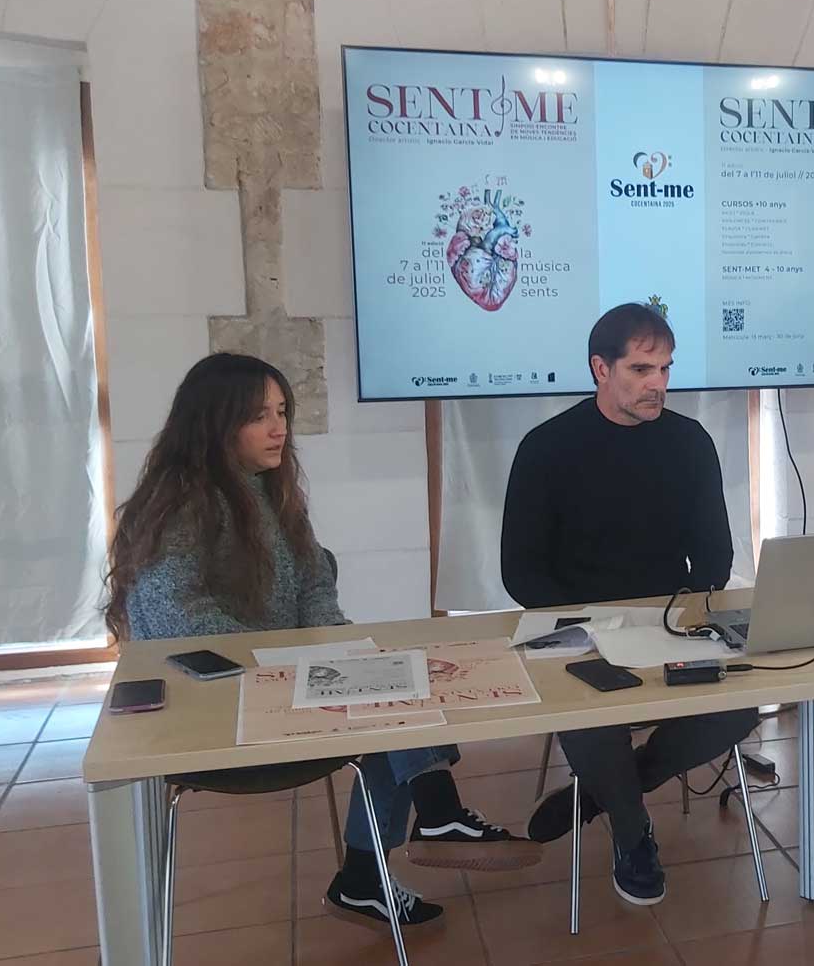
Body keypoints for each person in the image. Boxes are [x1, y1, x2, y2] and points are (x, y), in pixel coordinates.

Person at [106, 353, 539, 933]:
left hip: (280, 682)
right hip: (212, 704)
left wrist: (337, 648)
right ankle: (430, 818)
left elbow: (314, 585)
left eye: (282, 411)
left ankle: (387, 860)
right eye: (259, 416)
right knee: (386, 703)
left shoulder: (271, 492)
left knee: (390, 682)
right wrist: (295, 658)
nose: (279, 427)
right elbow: (179, 621)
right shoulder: (180, 505)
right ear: (214, 424)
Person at [502, 303, 759, 907]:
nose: (658, 385)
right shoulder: (547, 448)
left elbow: (715, 557)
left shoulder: (688, 442)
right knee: (589, 708)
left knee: (740, 706)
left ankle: (610, 789)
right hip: (575, 626)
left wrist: (685, 616)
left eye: (666, 369)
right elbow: (520, 571)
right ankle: (631, 827)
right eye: (642, 369)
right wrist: (588, 626)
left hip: (665, 623)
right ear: (600, 368)